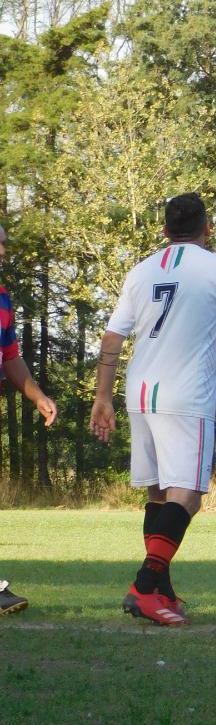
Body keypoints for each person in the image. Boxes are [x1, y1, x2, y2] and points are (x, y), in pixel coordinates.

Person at [89, 194, 216, 626]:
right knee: (187, 493)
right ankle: (144, 588)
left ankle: (163, 590)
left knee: (158, 491)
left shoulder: (141, 270)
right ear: (208, 228)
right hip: (186, 395)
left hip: (140, 392)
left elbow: (112, 340)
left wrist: (103, 397)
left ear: (165, 230)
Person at [0, 224, 58, 615]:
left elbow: (10, 356)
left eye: (4, 244)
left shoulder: (3, 300)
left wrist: (36, 395)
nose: (4, 252)